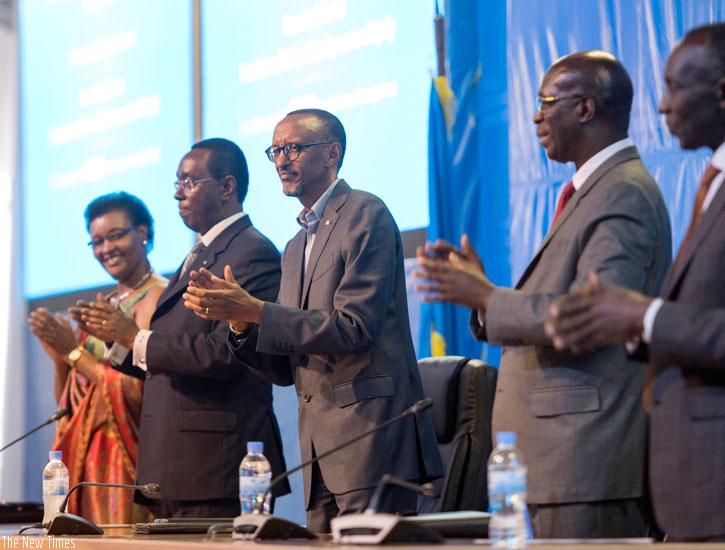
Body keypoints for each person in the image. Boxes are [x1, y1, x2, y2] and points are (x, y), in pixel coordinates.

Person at [545, 23, 725, 550]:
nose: (662, 107)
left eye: (674, 87)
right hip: (711, 486)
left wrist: (643, 317)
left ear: (723, 92)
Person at [413, 51, 672, 539]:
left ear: (586, 108)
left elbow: (596, 314)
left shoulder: (623, 192)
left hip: (585, 467)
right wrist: (484, 298)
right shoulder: (592, 190)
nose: (535, 115)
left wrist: (489, 298)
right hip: (553, 468)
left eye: (547, 101)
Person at [181, 109, 443, 533]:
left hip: (370, 441)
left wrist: (257, 310)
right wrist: (241, 326)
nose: (282, 160)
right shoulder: (293, 245)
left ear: (332, 154)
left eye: (294, 148)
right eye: (276, 151)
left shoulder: (365, 214)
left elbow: (355, 326)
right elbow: (287, 367)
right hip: (317, 452)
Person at [76, 138, 289, 519]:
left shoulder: (251, 252)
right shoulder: (202, 251)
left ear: (227, 186)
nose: (178, 194)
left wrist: (135, 337)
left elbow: (227, 352)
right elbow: (173, 352)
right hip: (179, 467)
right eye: (176, 184)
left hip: (217, 464)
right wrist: (119, 343)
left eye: (189, 183)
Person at [28, 191, 166, 525]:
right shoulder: (105, 303)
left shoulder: (158, 296)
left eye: (115, 235)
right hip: (86, 460)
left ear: (144, 232)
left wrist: (74, 352)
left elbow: (141, 390)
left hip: (125, 460)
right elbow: (70, 406)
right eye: (97, 242)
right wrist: (62, 358)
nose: (106, 249)